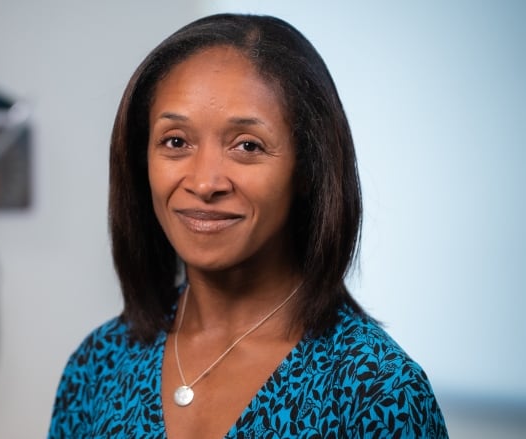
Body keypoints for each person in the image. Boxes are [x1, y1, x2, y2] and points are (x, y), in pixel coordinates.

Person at [49, 13, 448, 438]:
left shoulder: (378, 392)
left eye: (247, 146)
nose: (204, 183)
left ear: (308, 170)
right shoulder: (98, 366)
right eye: (176, 141)